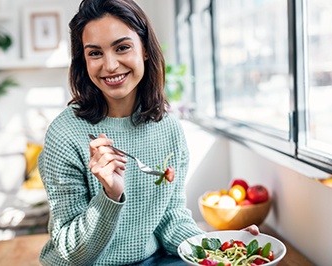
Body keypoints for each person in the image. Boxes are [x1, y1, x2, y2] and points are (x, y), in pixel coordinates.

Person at [38, 0, 259, 265]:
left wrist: (218, 249)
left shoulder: (168, 128)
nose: (109, 65)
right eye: (95, 53)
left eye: (122, 48)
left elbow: (170, 220)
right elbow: (72, 253)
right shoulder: (65, 135)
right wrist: (110, 195)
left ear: (144, 49)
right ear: (83, 60)